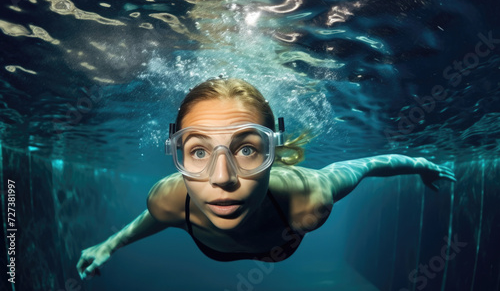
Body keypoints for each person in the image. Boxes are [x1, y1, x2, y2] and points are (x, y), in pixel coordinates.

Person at [76, 77, 456, 279]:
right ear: (176, 154)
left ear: (273, 154)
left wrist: (421, 163)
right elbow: (154, 219)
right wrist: (109, 245)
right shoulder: (167, 200)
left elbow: (367, 165)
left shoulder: (309, 199)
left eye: (246, 149)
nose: (222, 178)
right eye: (198, 151)